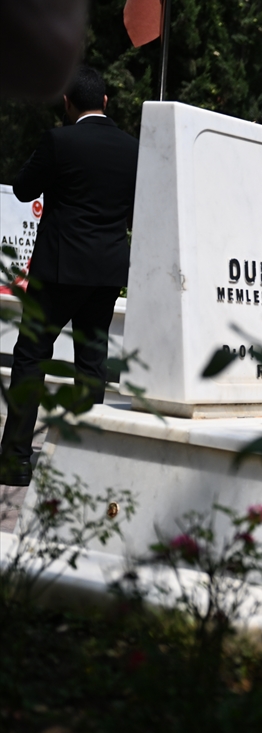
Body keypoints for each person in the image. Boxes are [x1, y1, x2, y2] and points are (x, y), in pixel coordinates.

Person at [1, 66, 138, 486]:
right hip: (106, 271)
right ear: (106, 103)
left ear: (67, 103)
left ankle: (16, 460)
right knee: (91, 364)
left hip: (59, 269)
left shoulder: (59, 140)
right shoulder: (134, 148)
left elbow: (24, 189)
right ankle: (81, 463)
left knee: (30, 357)